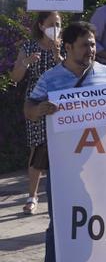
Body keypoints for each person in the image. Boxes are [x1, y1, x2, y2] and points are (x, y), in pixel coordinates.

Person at [25, 22, 106, 262]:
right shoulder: (51, 78)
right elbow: (29, 109)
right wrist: (39, 108)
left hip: (104, 163)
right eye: (84, 45)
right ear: (67, 48)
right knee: (61, 219)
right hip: (66, 164)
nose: (91, 49)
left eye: (92, 44)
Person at [11, 11, 62, 215]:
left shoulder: (66, 46)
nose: (56, 28)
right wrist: (26, 62)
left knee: (62, 150)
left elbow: (73, 72)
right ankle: (32, 196)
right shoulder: (29, 47)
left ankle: (60, 193)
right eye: (52, 24)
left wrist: (59, 56)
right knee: (38, 148)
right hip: (36, 104)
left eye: (58, 24)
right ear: (41, 26)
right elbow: (15, 76)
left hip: (61, 104)